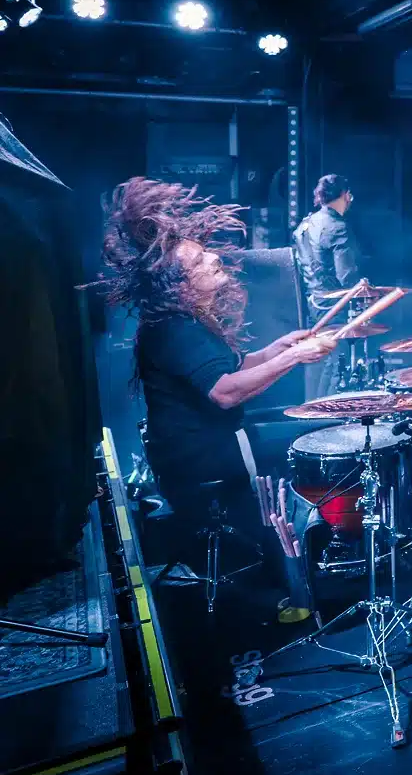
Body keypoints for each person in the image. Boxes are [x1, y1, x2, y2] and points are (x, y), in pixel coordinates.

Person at [104, 178, 338, 610]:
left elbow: (229, 372)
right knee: (312, 446)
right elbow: (226, 393)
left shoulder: (184, 321)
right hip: (202, 460)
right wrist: (295, 357)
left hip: (208, 448)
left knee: (301, 434)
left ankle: (285, 566)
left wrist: (277, 350)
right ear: (180, 284)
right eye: (200, 260)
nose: (214, 257)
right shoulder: (176, 330)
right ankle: (287, 576)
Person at [293, 174, 361, 397]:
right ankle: (326, 411)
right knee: (337, 363)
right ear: (346, 195)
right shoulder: (338, 227)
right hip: (334, 306)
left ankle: (309, 408)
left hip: (310, 304)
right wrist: (364, 290)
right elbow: (346, 276)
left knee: (316, 362)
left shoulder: (305, 224)